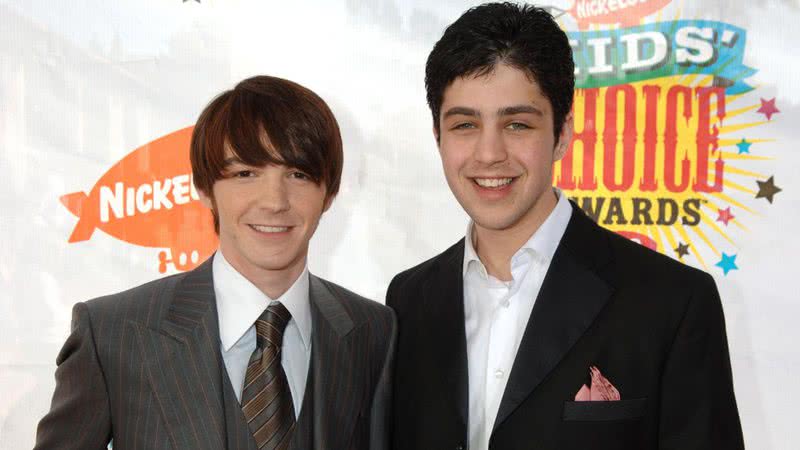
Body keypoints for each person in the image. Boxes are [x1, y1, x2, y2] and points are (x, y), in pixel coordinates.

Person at [387, 3, 744, 450]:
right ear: (438, 136)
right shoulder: (406, 302)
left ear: (561, 134)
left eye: (517, 124)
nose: (489, 153)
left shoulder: (671, 303)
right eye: (464, 125)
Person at [35, 75, 396, 450]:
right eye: (245, 174)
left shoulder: (373, 332)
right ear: (205, 189)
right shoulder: (112, 333)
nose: (274, 200)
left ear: (330, 192)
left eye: (298, 174)